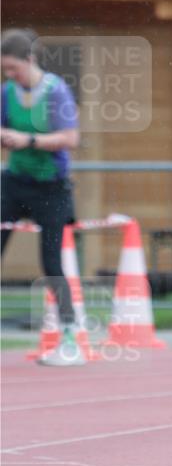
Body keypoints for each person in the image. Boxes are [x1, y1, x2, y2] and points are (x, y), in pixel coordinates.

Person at [1, 28, 85, 366]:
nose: (10, 75)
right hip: (13, 182)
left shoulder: (55, 91)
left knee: (52, 264)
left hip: (51, 187)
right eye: (5, 70)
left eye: (14, 68)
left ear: (30, 60)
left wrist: (28, 140)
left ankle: (69, 336)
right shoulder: (6, 92)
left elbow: (70, 138)